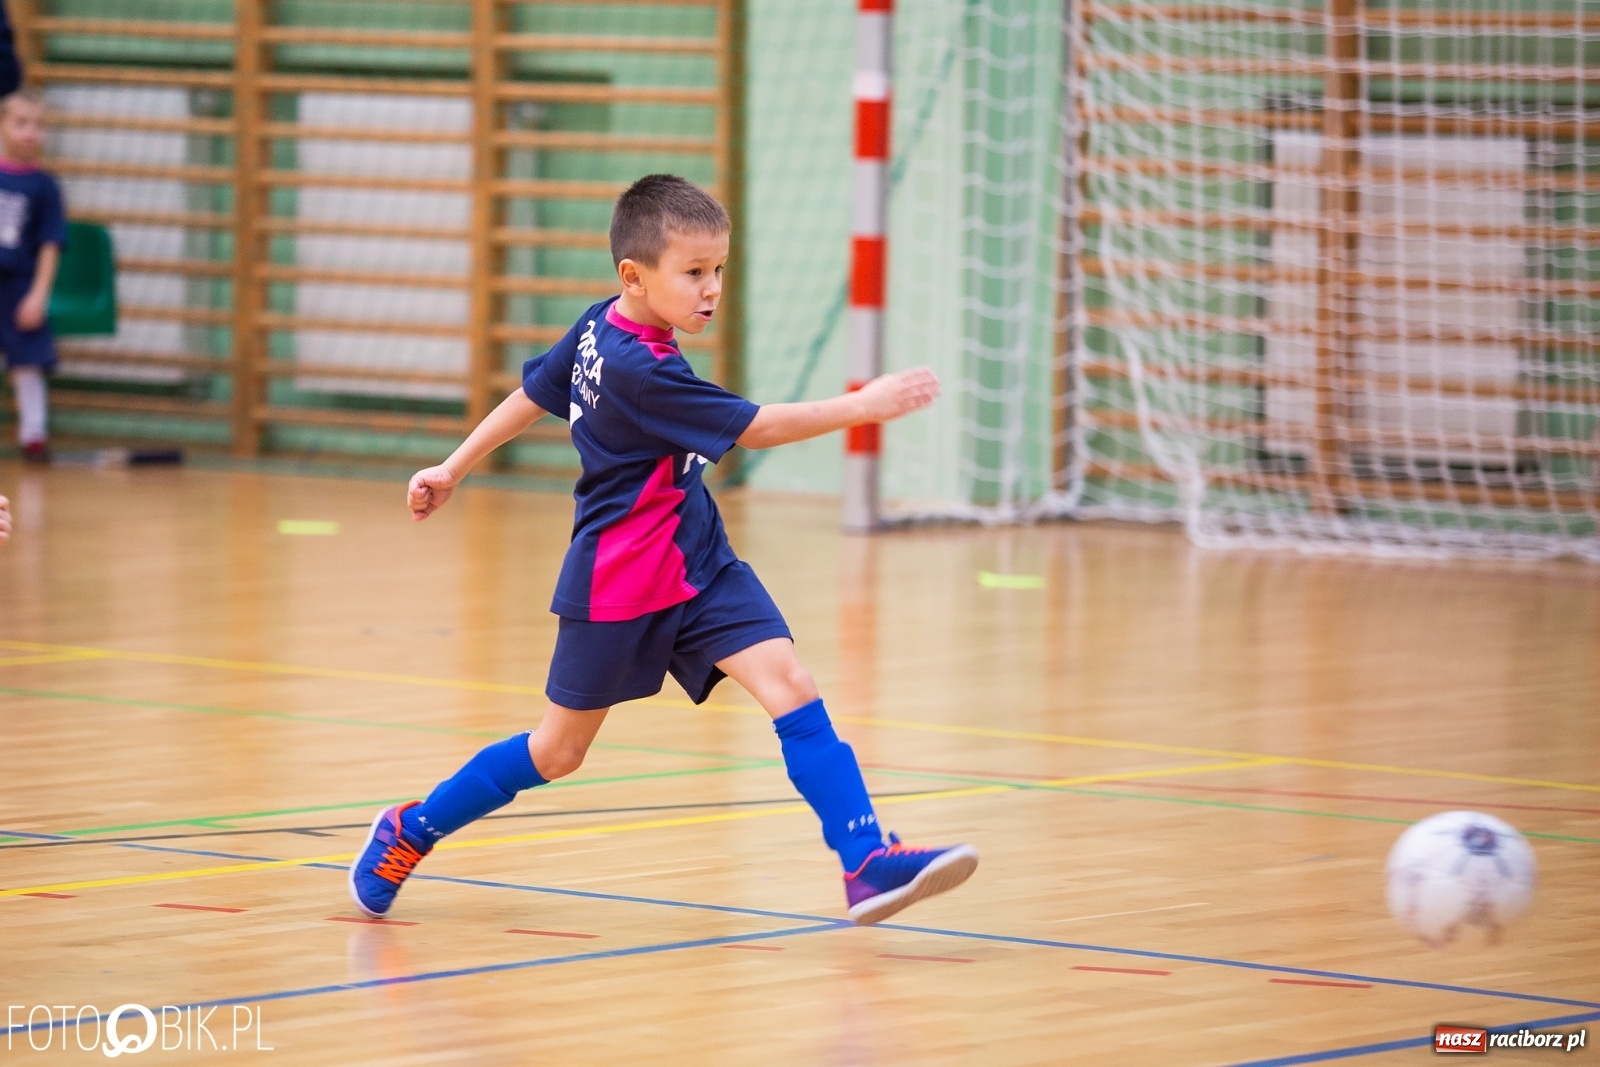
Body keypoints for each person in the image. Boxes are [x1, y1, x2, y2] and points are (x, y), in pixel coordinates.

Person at [348, 174, 978, 925]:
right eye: (694, 273)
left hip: (698, 558)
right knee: (557, 751)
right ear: (633, 276)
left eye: (718, 270)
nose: (712, 288)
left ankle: (865, 860)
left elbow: (534, 393)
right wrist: (863, 406)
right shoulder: (638, 368)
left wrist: (454, 465)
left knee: (791, 684)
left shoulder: (602, 327)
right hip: (620, 579)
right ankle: (408, 829)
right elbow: (756, 429)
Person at [0, 90, 64, 463]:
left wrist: (38, 294)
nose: (30, 132)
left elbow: (50, 244)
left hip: (19, 286)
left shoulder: (45, 187)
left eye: (38, 125)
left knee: (27, 363)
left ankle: (34, 434)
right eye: (21, 123)